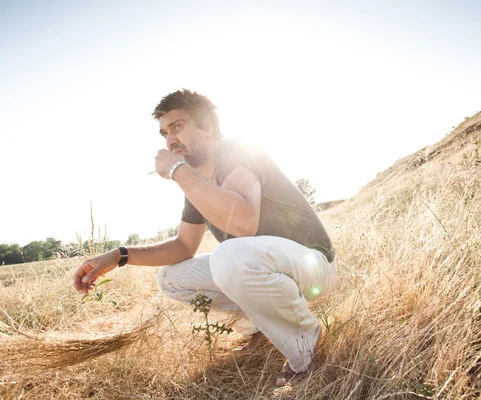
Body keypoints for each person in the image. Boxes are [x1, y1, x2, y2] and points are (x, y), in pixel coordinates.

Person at [73, 89, 337, 387]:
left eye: (177, 127)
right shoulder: (197, 184)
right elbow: (183, 245)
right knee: (170, 278)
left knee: (230, 255)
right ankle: (258, 327)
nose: (170, 140)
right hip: (272, 267)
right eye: (164, 133)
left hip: (312, 263)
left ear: (207, 127)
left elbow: (243, 223)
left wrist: (176, 168)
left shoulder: (235, 151)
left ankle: (305, 349)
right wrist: (119, 256)